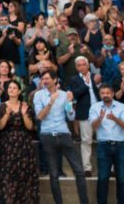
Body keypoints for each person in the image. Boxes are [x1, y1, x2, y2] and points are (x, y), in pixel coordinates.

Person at [33, 70, 89, 204]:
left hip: (64, 134)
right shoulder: (38, 95)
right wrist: (50, 102)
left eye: (47, 78)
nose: (45, 81)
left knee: (79, 171)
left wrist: (69, 103)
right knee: (53, 174)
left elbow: (71, 116)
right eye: (43, 79)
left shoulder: (64, 94)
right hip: (47, 135)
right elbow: (39, 116)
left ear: (54, 80)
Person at [0, 80, 39, 204]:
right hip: (8, 146)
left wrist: (24, 114)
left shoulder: (26, 106)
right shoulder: (2, 106)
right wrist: (7, 114)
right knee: (8, 177)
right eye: (10, 88)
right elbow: (0, 127)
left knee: (25, 177)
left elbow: (30, 127)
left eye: (14, 88)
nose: (12, 89)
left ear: (19, 91)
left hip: (24, 146)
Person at [89, 83, 124, 204]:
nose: (105, 95)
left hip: (121, 145)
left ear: (112, 94)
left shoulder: (122, 107)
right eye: (103, 93)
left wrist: (115, 118)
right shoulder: (95, 107)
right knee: (102, 178)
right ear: (100, 94)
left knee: (122, 178)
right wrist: (100, 118)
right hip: (103, 145)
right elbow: (94, 126)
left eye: (108, 93)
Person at [68, 55, 100, 176]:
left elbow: (104, 92)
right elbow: (74, 94)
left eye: (84, 64)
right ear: (76, 67)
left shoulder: (95, 77)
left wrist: (97, 83)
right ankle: (87, 168)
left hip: (99, 111)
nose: (82, 67)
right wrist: (86, 84)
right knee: (86, 140)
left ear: (88, 65)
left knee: (105, 138)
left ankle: (110, 168)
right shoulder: (74, 79)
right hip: (84, 112)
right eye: (79, 65)